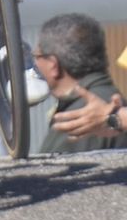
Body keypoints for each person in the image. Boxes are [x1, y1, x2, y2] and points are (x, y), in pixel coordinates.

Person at [33, 14, 127, 155]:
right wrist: (115, 118)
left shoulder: (84, 114)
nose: (35, 64)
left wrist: (114, 118)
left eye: (36, 57)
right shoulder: (103, 102)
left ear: (53, 65)